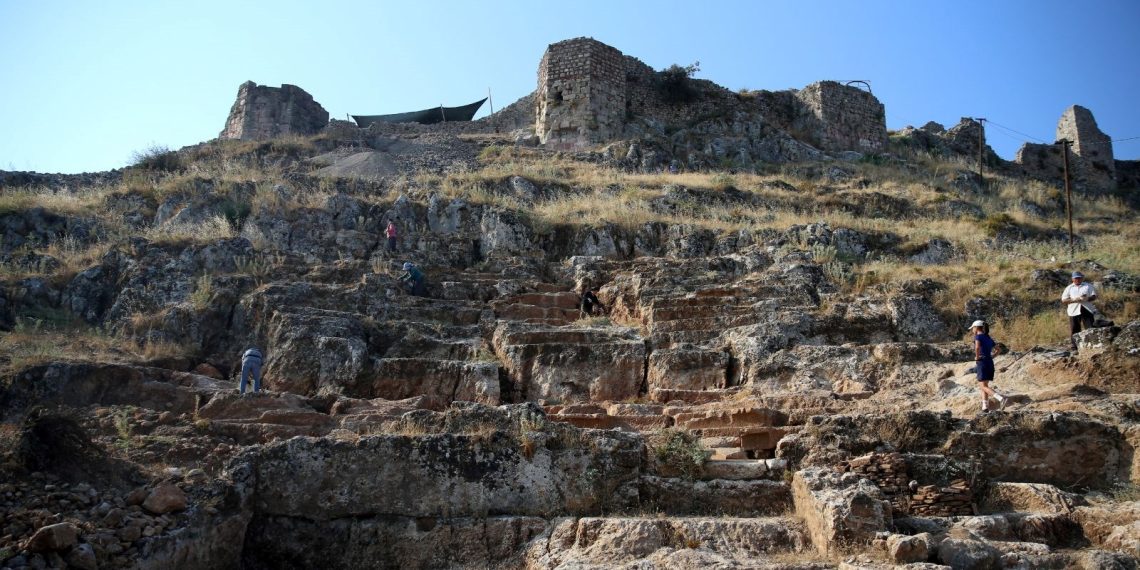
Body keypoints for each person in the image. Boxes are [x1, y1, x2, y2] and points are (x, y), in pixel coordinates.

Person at [970, 320, 1007, 414]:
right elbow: (998, 350)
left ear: (976, 328)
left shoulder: (978, 336)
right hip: (989, 362)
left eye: (972, 328)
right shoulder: (988, 337)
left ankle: (1001, 398)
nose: (972, 330)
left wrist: (977, 357)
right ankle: (985, 408)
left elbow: (977, 347)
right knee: (984, 386)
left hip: (982, 362)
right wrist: (991, 357)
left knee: (982, 386)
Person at [1061, 271, 1098, 351]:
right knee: (1075, 328)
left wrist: (1087, 298)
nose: (1077, 279)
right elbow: (1064, 300)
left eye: (1079, 278)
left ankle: (1092, 345)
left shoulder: (1088, 286)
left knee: (1090, 328)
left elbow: (1094, 296)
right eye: (1076, 278)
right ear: (1072, 279)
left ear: (1082, 278)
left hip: (1087, 309)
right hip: (1074, 310)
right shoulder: (1069, 288)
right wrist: (1074, 300)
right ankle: (1074, 346)